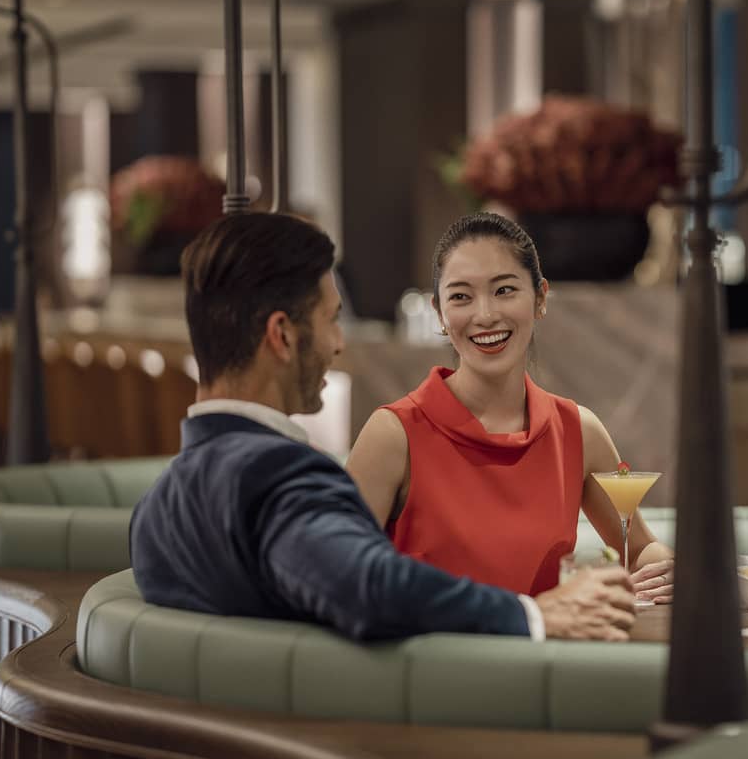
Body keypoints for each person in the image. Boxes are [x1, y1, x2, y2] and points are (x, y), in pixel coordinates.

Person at [130, 212, 635, 643]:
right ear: (282, 336)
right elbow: (367, 586)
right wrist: (535, 614)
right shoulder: (282, 477)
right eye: (332, 320)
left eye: (505, 290)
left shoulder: (157, 507)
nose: (338, 344)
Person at [346, 212, 676, 600]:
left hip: (549, 658)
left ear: (540, 299)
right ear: (440, 313)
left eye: (504, 290)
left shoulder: (579, 430)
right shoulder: (393, 434)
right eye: (461, 297)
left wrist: (667, 570)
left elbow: (638, 548)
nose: (485, 315)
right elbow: (340, 576)